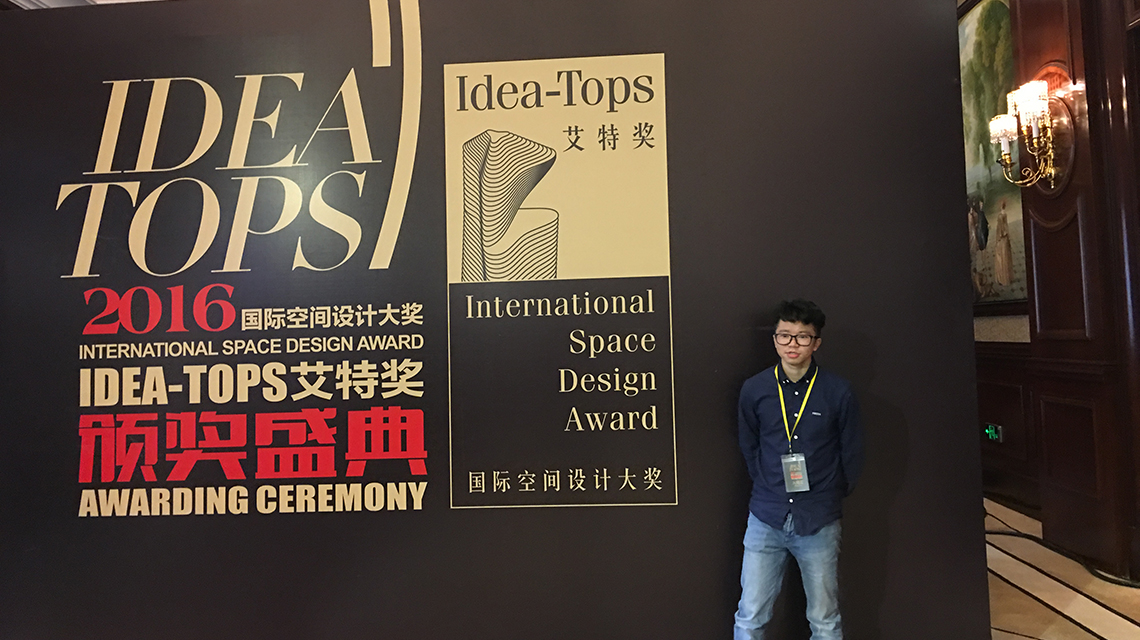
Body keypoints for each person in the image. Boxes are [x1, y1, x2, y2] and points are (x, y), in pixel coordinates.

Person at [734, 299, 864, 640]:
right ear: (774, 339)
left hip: (818, 519)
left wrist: (829, 494)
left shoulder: (838, 391)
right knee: (750, 615)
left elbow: (851, 452)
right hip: (766, 516)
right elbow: (749, 445)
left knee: (824, 618)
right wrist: (767, 484)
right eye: (785, 335)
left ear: (816, 342)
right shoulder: (755, 389)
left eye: (803, 337)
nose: (792, 344)